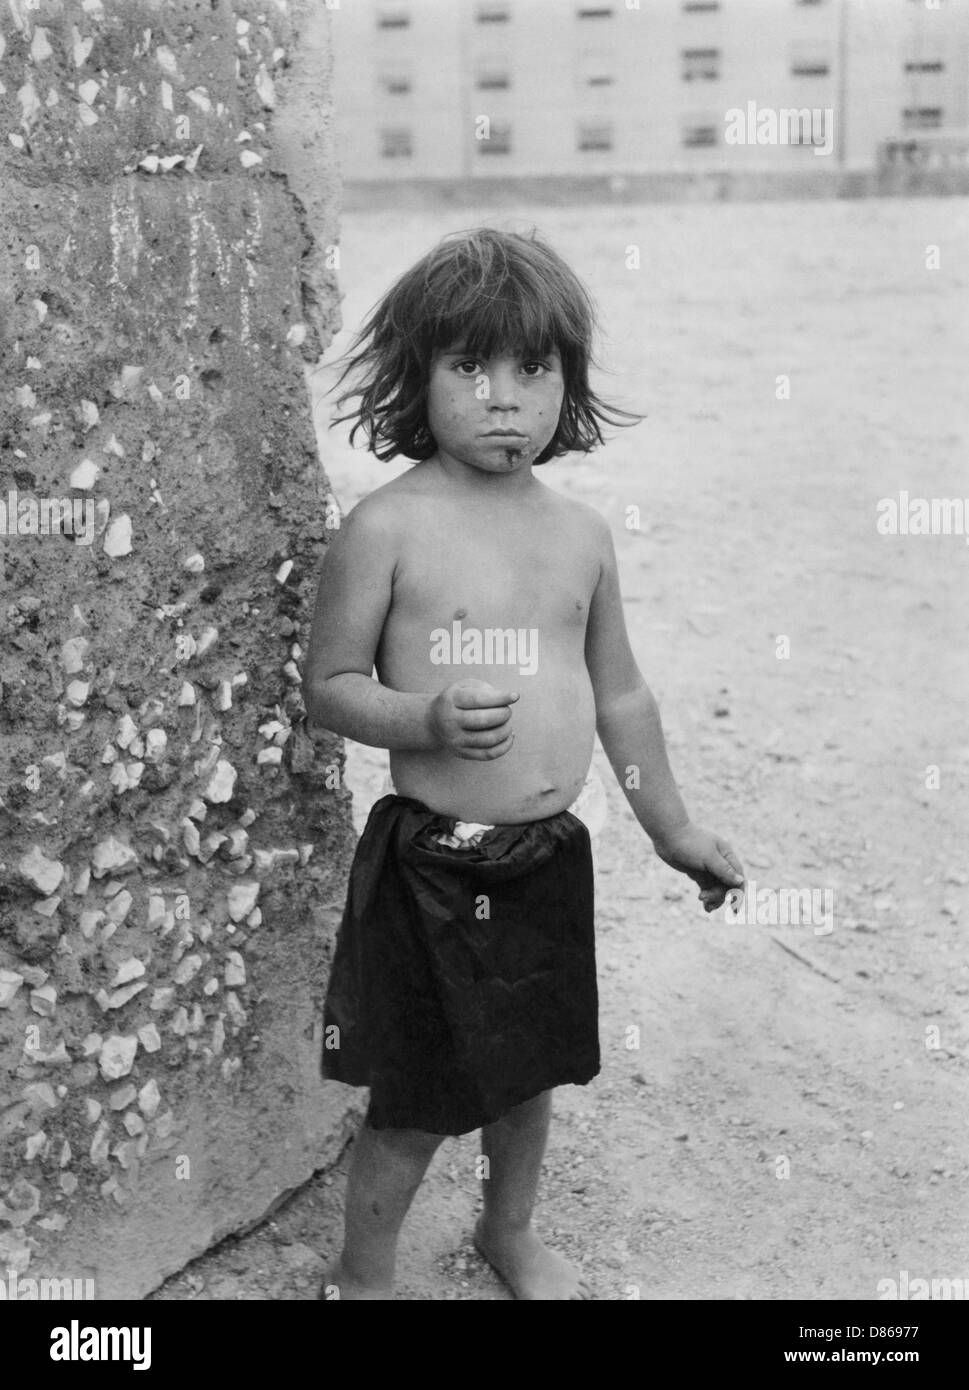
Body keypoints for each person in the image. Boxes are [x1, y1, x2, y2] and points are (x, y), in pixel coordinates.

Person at [303, 227, 744, 1300]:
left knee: (529, 1071)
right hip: (433, 868)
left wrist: (672, 827)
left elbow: (622, 695)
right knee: (414, 1096)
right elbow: (328, 686)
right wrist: (425, 718)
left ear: (566, 381)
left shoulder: (583, 535)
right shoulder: (389, 527)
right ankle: (364, 1278)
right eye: (471, 367)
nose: (505, 396)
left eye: (532, 369)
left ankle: (509, 1230)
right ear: (420, 376)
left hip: (545, 857)